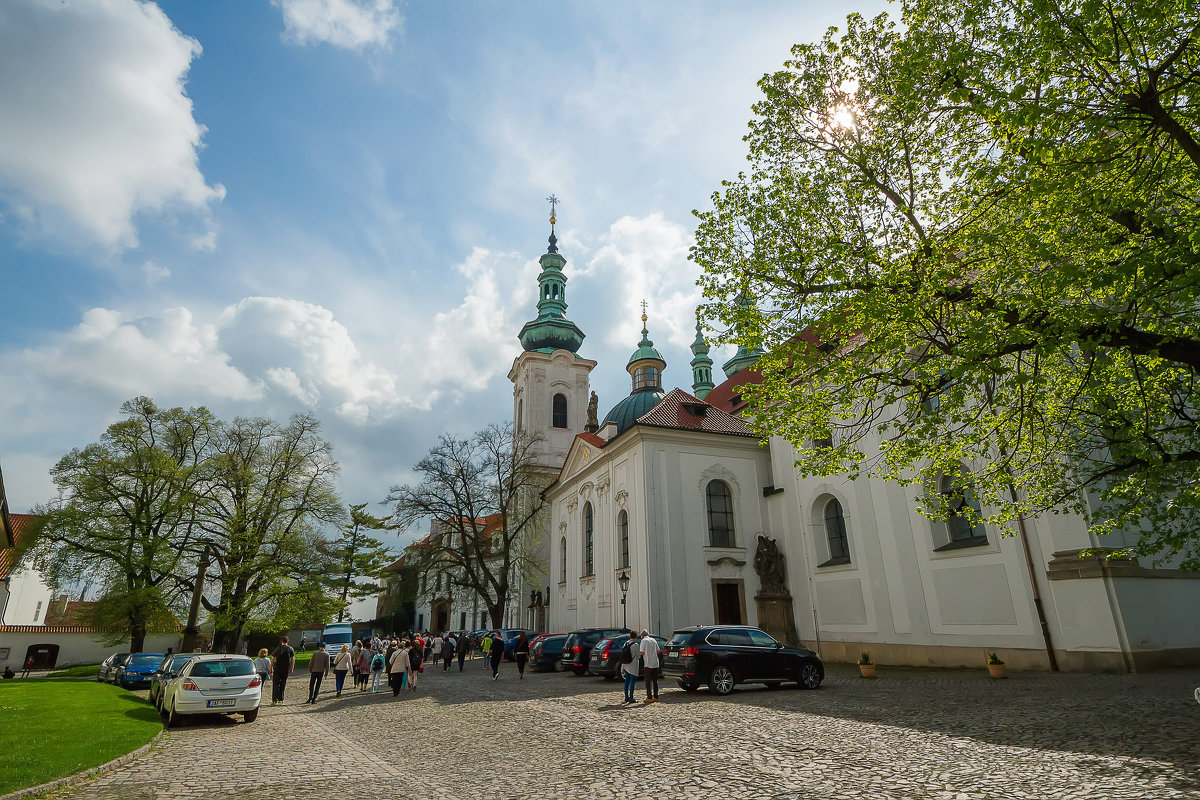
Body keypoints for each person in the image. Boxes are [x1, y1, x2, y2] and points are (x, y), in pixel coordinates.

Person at [270, 636, 295, 705]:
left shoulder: (278, 648)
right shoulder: (290, 649)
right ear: (287, 641)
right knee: (283, 683)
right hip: (285, 669)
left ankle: (274, 700)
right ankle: (281, 699)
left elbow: (272, 658)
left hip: (277, 669)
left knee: (275, 684)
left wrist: (271, 668)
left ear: (282, 641)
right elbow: (293, 659)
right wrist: (291, 668)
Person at [639, 629, 660, 703]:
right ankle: (656, 696)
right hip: (655, 663)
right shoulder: (653, 640)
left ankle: (649, 697)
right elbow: (658, 650)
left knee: (648, 681)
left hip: (648, 663)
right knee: (655, 681)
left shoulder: (643, 641)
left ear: (642, 635)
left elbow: (641, 652)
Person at [620, 630, 640, 704]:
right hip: (633, 665)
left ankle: (626, 697)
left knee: (627, 681)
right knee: (632, 681)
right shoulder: (636, 645)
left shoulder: (626, 643)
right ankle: (631, 697)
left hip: (626, 664)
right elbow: (638, 656)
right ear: (636, 637)